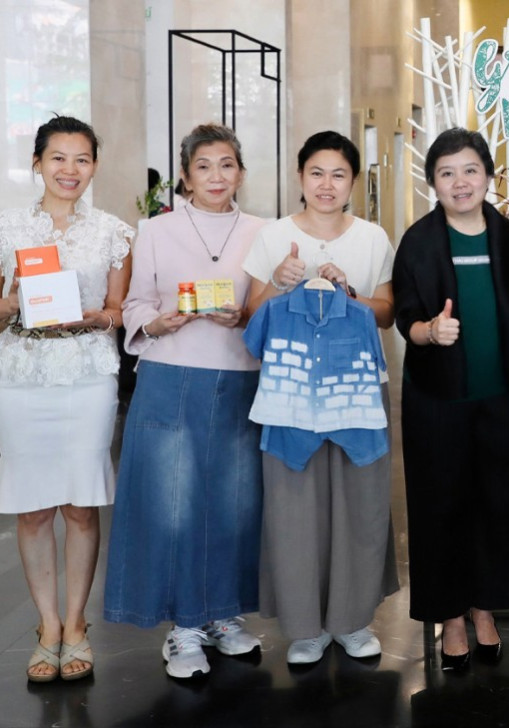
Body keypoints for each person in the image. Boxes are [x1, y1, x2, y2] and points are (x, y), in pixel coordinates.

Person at [103, 123, 265, 678]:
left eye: (226, 165)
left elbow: (265, 308)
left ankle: (222, 615)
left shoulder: (264, 232)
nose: (216, 176)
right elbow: (133, 304)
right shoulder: (154, 230)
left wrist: (243, 316)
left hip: (239, 377)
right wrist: (158, 322)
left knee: (234, 504)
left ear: (240, 172)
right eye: (203, 166)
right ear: (186, 176)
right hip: (170, 377)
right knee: (174, 504)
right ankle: (183, 629)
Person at [242, 131, 399, 665]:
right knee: (293, 507)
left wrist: (349, 294)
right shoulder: (273, 236)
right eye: (316, 173)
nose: (326, 185)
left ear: (353, 181)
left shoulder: (373, 237)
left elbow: (387, 314)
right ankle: (305, 627)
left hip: (357, 393)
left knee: (361, 504)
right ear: (300, 177)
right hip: (289, 396)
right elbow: (250, 316)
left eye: (338, 174)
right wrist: (279, 283)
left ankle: (352, 621)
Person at [393, 128, 509, 671]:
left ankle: (485, 610)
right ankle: (451, 618)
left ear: (487, 175)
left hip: (501, 398)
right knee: (440, 508)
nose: (460, 182)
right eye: (446, 173)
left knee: (498, 507)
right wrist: (429, 332)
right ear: (433, 182)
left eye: (469, 170)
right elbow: (404, 316)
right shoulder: (418, 242)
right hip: (436, 399)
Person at [0, 115, 134, 681]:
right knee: (34, 508)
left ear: (95, 166)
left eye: (82, 159)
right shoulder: (7, 228)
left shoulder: (114, 232)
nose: (70, 169)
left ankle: (76, 624)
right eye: (58, 157)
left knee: (81, 504)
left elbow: (119, 312)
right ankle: (47, 625)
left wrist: (96, 316)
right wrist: (11, 303)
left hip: (87, 375)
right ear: (37, 163)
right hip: (22, 376)